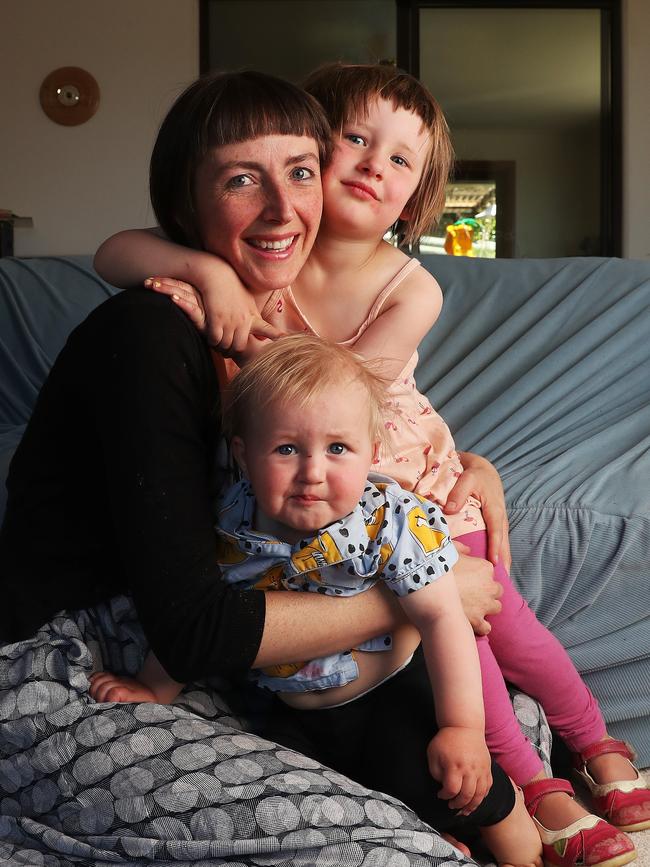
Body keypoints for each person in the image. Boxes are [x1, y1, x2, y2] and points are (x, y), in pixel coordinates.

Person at [94, 62, 647, 867]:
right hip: (334, 497)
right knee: (472, 659)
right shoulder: (280, 242)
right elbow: (117, 249)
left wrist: (249, 332)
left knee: (503, 636)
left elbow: (341, 389)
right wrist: (210, 275)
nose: (369, 166)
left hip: (418, 492)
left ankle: (597, 748)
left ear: (419, 192)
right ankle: (537, 789)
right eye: (353, 139)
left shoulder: (409, 284)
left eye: (399, 160)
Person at [0, 70, 517, 867]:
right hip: (70, 665)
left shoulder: (271, 340)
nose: (283, 210)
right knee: (401, 854)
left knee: (469, 752)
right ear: (186, 202)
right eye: (244, 179)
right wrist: (421, 596)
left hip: (201, 656)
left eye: (300, 172)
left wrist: (471, 466)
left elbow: (349, 444)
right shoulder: (151, 333)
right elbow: (198, 623)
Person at [90, 333, 544, 867]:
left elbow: (445, 620)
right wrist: (154, 687)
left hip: (392, 697)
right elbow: (199, 610)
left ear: (372, 453)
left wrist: (461, 728)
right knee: (317, 799)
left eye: (337, 449)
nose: (312, 471)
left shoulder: (387, 520)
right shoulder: (232, 522)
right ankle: (419, 840)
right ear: (244, 455)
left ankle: (518, 837)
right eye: (286, 449)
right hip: (291, 712)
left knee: (448, 783)